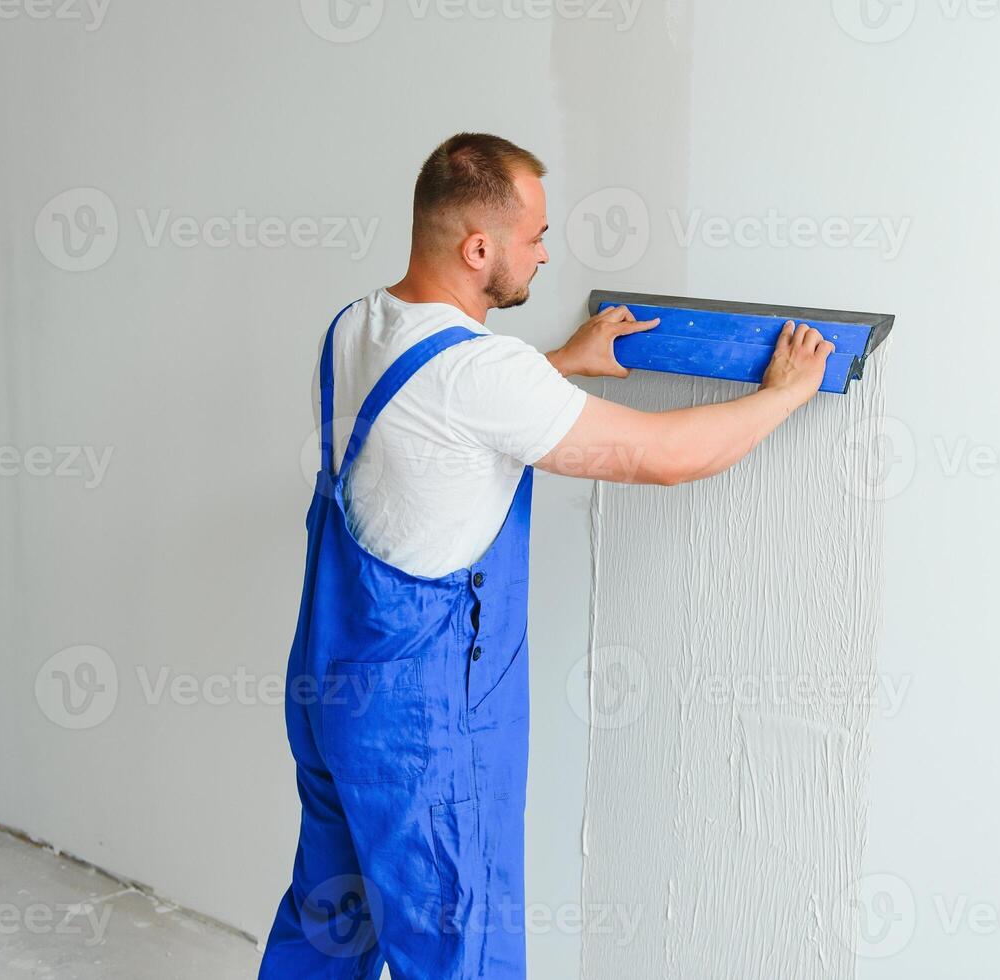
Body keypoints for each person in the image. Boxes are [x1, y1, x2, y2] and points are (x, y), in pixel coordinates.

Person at [258, 132, 833, 979]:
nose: (545, 252)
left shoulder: (356, 324)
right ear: (478, 247)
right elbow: (663, 458)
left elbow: (434, 418)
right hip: (424, 727)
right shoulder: (485, 375)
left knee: (328, 926)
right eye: (534, 237)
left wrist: (561, 364)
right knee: (463, 951)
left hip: (331, 689)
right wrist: (785, 395)